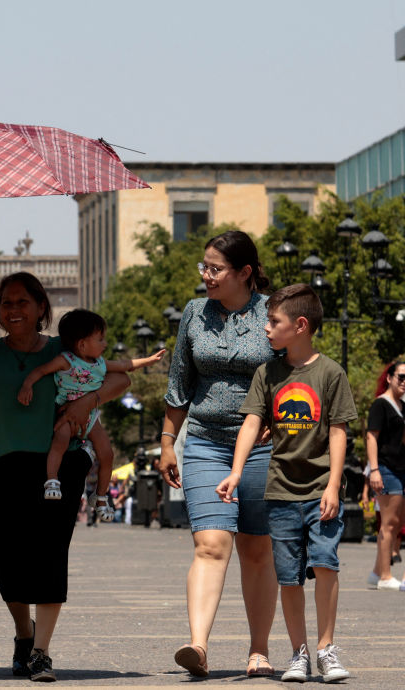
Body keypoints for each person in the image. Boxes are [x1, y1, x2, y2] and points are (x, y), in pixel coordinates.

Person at [0, 272, 129, 681]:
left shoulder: (66, 348)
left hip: (59, 465)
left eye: (22, 302)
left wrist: (87, 402)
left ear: (42, 307)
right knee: (5, 560)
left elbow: (122, 377)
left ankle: (41, 652)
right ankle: (23, 632)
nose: (13, 310)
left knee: (50, 555)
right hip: (5, 467)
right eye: (6, 303)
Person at [217, 283, 356, 682]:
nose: (266, 327)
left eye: (273, 321)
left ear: (299, 326)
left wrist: (333, 485)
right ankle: (300, 653)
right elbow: (252, 424)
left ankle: (326, 649)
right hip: (280, 492)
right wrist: (236, 471)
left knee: (325, 565)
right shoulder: (268, 373)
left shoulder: (330, 372)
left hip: (320, 491)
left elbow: (338, 432)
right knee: (289, 577)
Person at [158, 230, 279, 678]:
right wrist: (168, 442)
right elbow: (179, 382)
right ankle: (198, 645)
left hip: (263, 448)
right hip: (206, 442)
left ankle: (259, 650)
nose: (206, 276)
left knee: (256, 548)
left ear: (244, 273)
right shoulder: (194, 312)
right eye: (204, 267)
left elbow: (294, 372)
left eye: (215, 268)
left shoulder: (273, 313)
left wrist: (282, 417)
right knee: (210, 544)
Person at [17, 308, 162, 514]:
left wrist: (149, 360)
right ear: (82, 344)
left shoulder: (100, 364)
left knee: (107, 454)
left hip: (91, 417)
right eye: (100, 339)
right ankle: (52, 480)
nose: (106, 344)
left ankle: (101, 496)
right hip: (66, 415)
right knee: (60, 442)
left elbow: (125, 365)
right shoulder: (66, 361)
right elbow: (40, 370)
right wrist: (27, 385)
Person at [364, 361, 405, 590]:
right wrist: (374, 470)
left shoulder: (402, 405)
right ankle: (385, 577)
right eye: (401, 377)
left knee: (396, 523)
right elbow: (371, 437)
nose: (404, 382)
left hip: (400, 469)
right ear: (389, 378)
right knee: (389, 524)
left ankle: (376, 572)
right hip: (386, 468)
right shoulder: (381, 404)